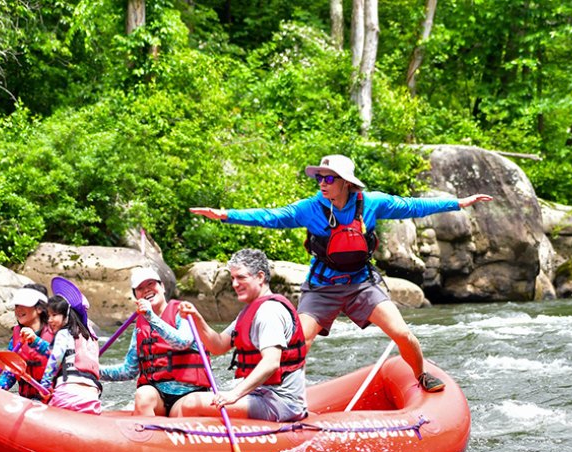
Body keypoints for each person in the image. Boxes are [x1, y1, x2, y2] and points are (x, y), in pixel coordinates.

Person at [190, 154, 493, 393]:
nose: (322, 183)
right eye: (319, 177)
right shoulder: (310, 208)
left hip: (362, 284)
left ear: (346, 182)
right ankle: (289, 396)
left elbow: (412, 206)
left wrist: (458, 203)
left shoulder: (371, 203)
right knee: (298, 343)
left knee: (402, 333)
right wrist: (225, 215)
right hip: (321, 287)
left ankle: (421, 374)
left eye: (328, 178)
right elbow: (271, 217)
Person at [176, 248, 308, 422]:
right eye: (233, 278)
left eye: (241, 277)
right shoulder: (250, 311)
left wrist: (234, 394)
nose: (235, 284)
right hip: (259, 394)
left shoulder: (269, 312)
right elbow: (218, 346)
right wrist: (197, 318)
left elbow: (271, 362)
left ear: (260, 277)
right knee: (180, 405)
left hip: (280, 403)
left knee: (191, 403)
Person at [100, 267, 210, 416]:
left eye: (151, 284)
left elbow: (182, 342)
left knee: (184, 409)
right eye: (140, 288)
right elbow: (128, 371)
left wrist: (152, 317)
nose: (146, 290)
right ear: (136, 297)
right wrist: (94, 370)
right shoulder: (140, 327)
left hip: (190, 394)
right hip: (158, 396)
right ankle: (147, 429)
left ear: (162, 287)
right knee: (143, 395)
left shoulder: (183, 312)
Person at [39, 288, 103, 415]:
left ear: (66, 315)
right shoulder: (91, 338)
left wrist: (44, 386)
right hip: (92, 401)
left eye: (54, 315)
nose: (49, 320)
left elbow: (55, 359)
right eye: (48, 316)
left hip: (65, 398)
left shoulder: (63, 333)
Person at [0, 285, 54, 399]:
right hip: (28, 399)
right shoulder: (16, 339)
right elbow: (9, 375)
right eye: (17, 305)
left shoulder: (56, 333)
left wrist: (36, 341)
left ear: (39, 309)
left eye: (24, 305)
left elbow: (60, 358)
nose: (18, 310)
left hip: (52, 399)